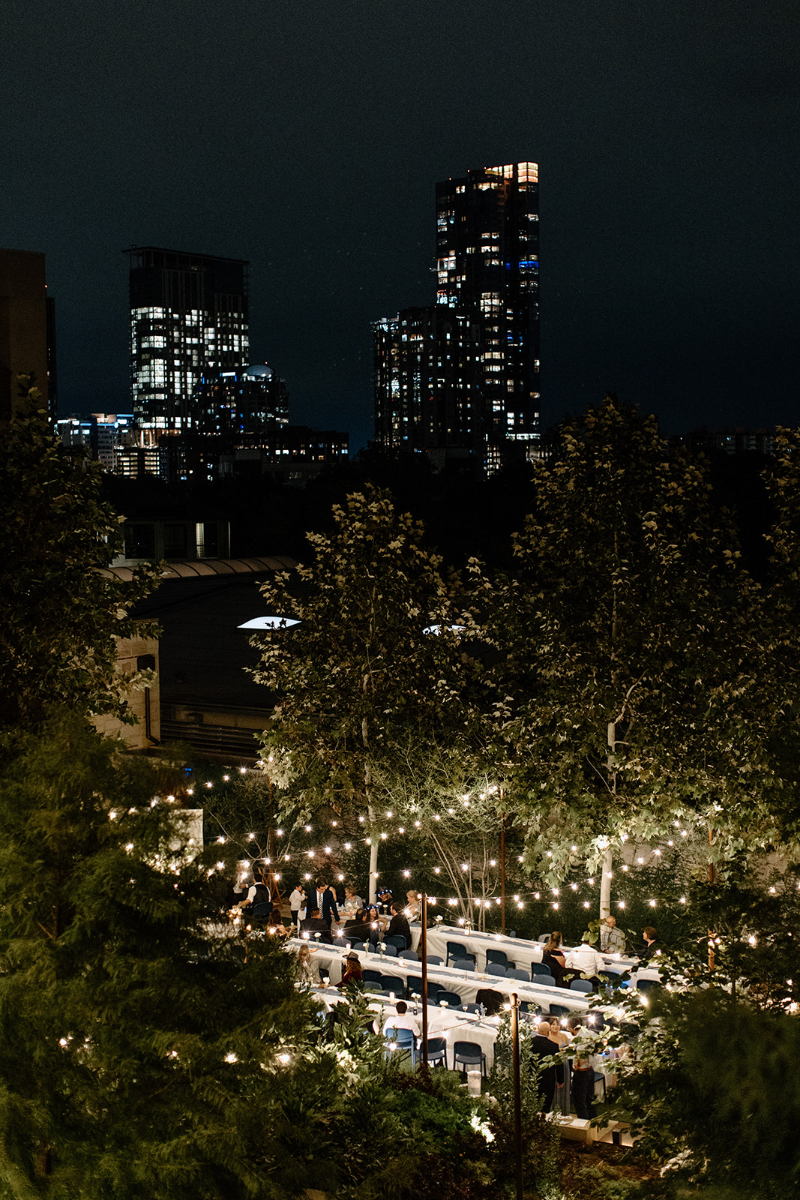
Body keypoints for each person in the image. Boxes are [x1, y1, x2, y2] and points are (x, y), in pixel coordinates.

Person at [529, 1019, 564, 1113]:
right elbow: (558, 1063)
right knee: (545, 1105)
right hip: (547, 1080)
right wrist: (560, 1079)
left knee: (532, 1104)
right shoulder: (553, 1046)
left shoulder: (529, 1043)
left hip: (532, 1077)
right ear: (548, 1032)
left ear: (537, 1030)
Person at [567, 1017, 596, 1120]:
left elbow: (580, 1053)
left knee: (579, 1099)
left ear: (570, 1028)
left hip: (582, 1072)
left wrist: (577, 1065)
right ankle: (593, 1120)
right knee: (589, 1098)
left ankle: (584, 1121)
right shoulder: (590, 1033)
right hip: (591, 1070)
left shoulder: (580, 1038)